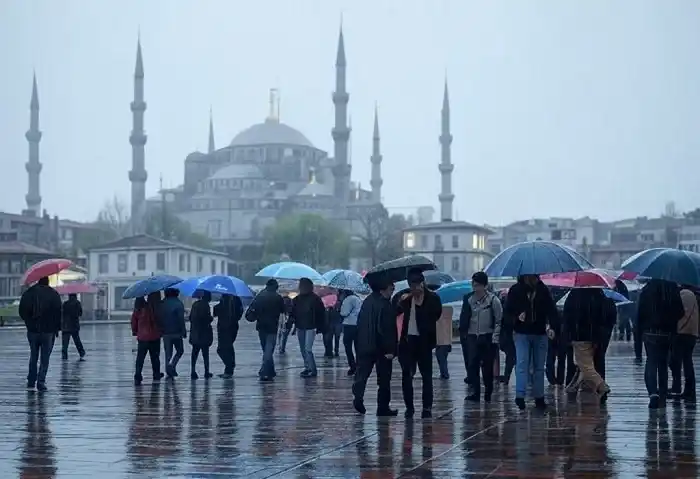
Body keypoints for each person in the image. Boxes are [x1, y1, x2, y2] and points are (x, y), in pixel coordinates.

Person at [505, 274, 559, 410]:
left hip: (540, 332)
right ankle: (520, 395)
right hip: (521, 332)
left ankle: (539, 397)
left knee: (539, 366)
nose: (533, 279)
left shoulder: (543, 290)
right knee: (522, 363)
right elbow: (507, 312)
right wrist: (517, 317)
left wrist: (552, 327)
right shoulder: (516, 290)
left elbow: (551, 310)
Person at [396, 269, 442, 418]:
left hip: (424, 342)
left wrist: (421, 301)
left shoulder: (432, 298)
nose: (415, 288)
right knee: (407, 375)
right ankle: (409, 407)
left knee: (426, 376)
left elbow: (437, 314)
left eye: (417, 284)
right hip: (408, 341)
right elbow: (395, 312)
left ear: (423, 283)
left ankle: (427, 407)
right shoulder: (405, 299)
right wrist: (403, 300)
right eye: (412, 285)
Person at [352, 275, 398, 416]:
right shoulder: (385, 305)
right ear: (383, 289)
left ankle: (358, 397)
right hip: (381, 348)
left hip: (365, 345)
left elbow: (360, 324)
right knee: (384, 380)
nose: (392, 290)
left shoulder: (367, 302)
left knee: (362, 374)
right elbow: (388, 329)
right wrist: (391, 349)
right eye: (391, 288)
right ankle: (383, 407)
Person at [637, 279, 685, 409]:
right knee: (663, 363)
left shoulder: (647, 289)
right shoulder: (672, 288)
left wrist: (640, 330)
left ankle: (653, 393)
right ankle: (663, 395)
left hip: (650, 332)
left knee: (651, 361)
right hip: (667, 332)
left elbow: (640, 313)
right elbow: (681, 312)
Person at [563, 288, 616, 403]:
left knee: (584, 365)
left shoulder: (575, 294)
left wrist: (568, 335)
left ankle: (601, 386)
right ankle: (577, 387)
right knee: (593, 363)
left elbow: (567, 315)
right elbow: (607, 316)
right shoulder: (601, 295)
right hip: (596, 337)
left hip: (579, 336)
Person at [460, 272, 502, 403]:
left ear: (485, 286)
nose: (475, 287)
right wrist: (465, 335)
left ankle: (488, 392)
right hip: (472, 336)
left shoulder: (493, 300)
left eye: (478, 285)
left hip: (487, 337)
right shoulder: (468, 299)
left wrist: (495, 337)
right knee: (472, 365)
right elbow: (464, 318)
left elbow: (499, 320)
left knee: (487, 367)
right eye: (473, 284)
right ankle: (476, 393)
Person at [19, 276, 62, 391]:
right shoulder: (53, 294)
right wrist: (57, 328)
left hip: (33, 330)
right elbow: (58, 313)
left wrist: (29, 323)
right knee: (45, 357)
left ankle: (31, 380)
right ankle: (41, 382)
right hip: (48, 331)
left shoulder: (29, 293)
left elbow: (22, 311)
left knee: (34, 355)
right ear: (48, 282)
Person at [246, 279, 286, 381]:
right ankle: (265, 371)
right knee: (268, 350)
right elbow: (283, 310)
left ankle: (270, 371)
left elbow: (252, 309)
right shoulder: (277, 297)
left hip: (261, 326)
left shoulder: (259, 296)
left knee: (266, 349)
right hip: (272, 327)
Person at [289, 277, 326, 378]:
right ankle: (307, 367)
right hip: (301, 326)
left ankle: (312, 369)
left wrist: (320, 326)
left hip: (311, 326)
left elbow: (321, 313)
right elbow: (293, 313)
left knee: (307, 348)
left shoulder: (315, 299)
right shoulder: (297, 299)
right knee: (303, 349)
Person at [669, 285, 698, 402]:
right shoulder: (693, 294)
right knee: (687, 361)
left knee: (675, 361)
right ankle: (689, 390)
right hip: (692, 332)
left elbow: (678, 313)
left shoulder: (683, 294)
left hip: (681, 332)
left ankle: (679, 388)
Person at [131, 293, 164, 385]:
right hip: (154, 336)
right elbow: (159, 321)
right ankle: (156, 374)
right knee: (155, 357)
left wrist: (135, 331)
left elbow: (134, 322)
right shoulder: (154, 308)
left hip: (142, 337)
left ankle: (138, 374)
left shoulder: (138, 310)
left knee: (140, 357)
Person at [214, 294, 243, 378]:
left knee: (221, 349)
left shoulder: (225, 299)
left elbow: (217, 312)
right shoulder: (236, 299)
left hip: (224, 327)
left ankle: (230, 367)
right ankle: (229, 369)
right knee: (229, 348)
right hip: (232, 326)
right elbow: (240, 312)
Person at [160, 288, 186, 378]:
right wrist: (184, 331)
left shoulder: (162, 304)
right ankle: (172, 365)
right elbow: (181, 319)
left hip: (165, 332)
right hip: (177, 332)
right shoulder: (178, 304)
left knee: (168, 352)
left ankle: (168, 368)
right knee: (180, 351)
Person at [189, 291, 214, 380]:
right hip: (204, 333)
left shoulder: (195, 304)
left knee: (194, 353)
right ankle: (206, 371)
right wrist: (211, 318)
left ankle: (192, 371)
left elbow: (190, 318)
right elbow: (206, 319)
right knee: (205, 354)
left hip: (195, 332)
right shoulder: (206, 306)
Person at [339, 288, 362, 376]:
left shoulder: (347, 300)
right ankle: (359, 365)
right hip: (358, 324)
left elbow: (344, 313)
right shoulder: (357, 298)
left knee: (348, 347)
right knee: (357, 347)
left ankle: (352, 366)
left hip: (349, 325)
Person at [497, 289, 516, 385]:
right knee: (512, 357)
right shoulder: (509, 307)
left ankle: (506, 378)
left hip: (506, 336)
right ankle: (507, 378)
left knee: (511, 358)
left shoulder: (502, 306)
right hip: (508, 336)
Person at [61, 293, 86, 360]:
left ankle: (64, 355)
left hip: (65, 326)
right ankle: (81, 352)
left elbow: (62, 313)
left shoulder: (65, 304)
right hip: (74, 325)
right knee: (77, 340)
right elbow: (80, 313)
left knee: (65, 343)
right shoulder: (77, 303)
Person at [435, 305, 453, 380]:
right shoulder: (449, 313)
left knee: (441, 357)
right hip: (447, 341)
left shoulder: (439, 315)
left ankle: (445, 374)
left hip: (441, 341)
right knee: (443, 358)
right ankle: (444, 373)